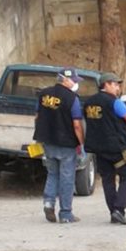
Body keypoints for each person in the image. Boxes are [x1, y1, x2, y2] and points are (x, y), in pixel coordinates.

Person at [33, 68, 85, 224]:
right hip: (66, 143)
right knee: (67, 177)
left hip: (48, 141)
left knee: (52, 173)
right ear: (65, 80)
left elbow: (37, 116)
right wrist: (81, 143)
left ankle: (48, 203)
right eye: (74, 80)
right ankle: (66, 213)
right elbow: (77, 124)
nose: (76, 83)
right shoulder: (72, 99)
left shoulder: (43, 94)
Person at [83, 73, 126, 224]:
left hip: (98, 147)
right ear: (106, 84)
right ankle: (119, 209)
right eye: (115, 84)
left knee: (108, 179)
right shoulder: (115, 102)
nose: (118, 87)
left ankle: (113, 211)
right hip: (116, 147)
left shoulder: (89, 103)